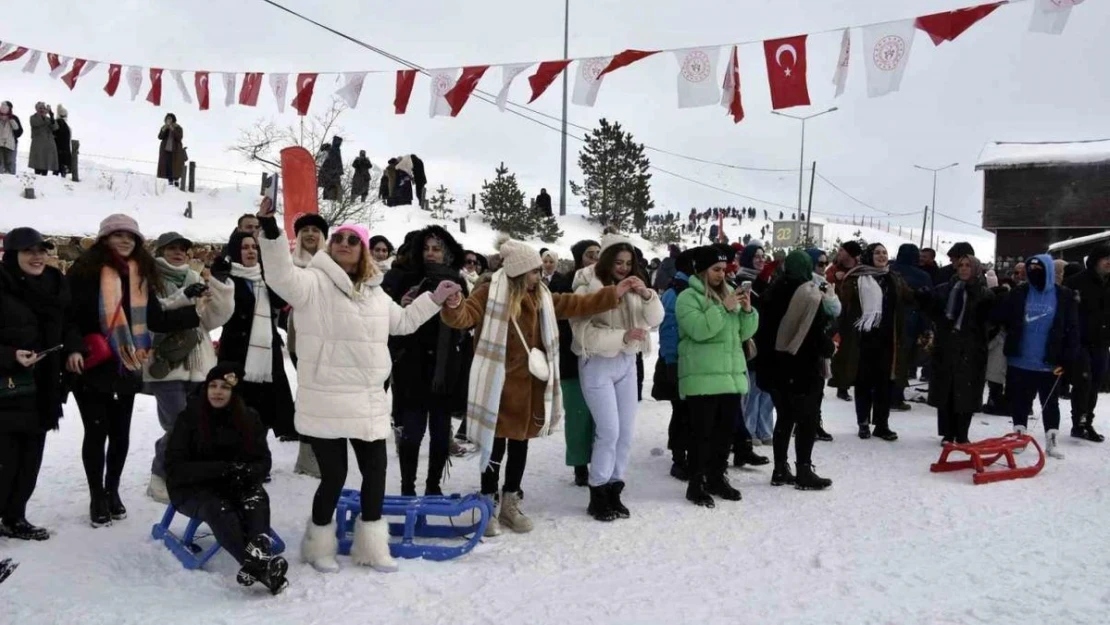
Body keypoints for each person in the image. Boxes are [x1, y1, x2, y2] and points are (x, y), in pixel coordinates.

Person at [255, 198, 459, 573]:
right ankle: (318, 547)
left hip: (367, 400)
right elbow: (281, 277)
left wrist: (435, 298)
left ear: (363, 250)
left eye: (353, 240)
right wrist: (270, 230)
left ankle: (372, 547)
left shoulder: (376, 292)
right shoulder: (311, 283)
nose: (344, 243)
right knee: (333, 477)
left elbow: (403, 323)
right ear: (330, 247)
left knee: (376, 474)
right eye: (339, 239)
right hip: (326, 400)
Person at [440, 236, 629, 535]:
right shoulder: (490, 293)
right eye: (533, 271)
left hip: (530, 388)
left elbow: (572, 303)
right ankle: (488, 503)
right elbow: (464, 317)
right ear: (517, 271)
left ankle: (510, 504)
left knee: (520, 446)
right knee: (494, 447)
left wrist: (611, 294)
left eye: (539, 271)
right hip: (497, 386)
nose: (538, 276)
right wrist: (453, 305)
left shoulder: (541, 296)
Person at [66, 214, 202, 527]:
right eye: (118, 235)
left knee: (120, 433)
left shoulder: (141, 274)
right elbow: (68, 315)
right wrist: (74, 346)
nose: (125, 240)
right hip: (93, 363)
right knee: (96, 431)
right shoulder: (85, 270)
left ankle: (113, 490)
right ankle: (97, 495)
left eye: (131, 236)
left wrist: (193, 314)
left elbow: (154, 319)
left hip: (127, 364)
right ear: (104, 239)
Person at [164, 363, 288, 595]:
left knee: (256, 497)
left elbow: (263, 461)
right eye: (213, 385)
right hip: (193, 488)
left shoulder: (248, 418)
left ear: (234, 393)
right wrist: (221, 469)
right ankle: (262, 569)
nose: (218, 392)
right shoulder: (190, 418)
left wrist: (247, 472)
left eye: (225, 387)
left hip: (235, 482)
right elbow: (175, 468)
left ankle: (258, 550)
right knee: (218, 508)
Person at [571, 234, 664, 521]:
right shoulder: (587, 283)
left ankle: (614, 487)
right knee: (608, 431)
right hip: (597, 362)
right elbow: (582, 332)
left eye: (628, 262)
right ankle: (597, 490)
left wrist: (648, 295)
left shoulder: (637, 285)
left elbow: (655, 318)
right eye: (618, 262)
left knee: (625, 433)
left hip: (627, 361)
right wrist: (621, 335)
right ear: (606, 259)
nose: (623, 268)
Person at [0, 228, 80, 540]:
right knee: (5, 461)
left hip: (44, 386)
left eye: (41, 250)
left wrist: (74, 348)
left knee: (31, 460)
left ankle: (15, 517)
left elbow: (70, 323)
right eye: (28, 252)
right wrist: (9, 356)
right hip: (6, 388)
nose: (37, 257)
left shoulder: (55, 283)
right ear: (12, 255)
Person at [143, 232, 235, 504]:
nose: (178, 253)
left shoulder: (195, 279)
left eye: (182, 249)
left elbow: (211, 319)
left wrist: (220, 285)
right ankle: (159, 477)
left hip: (200, 363)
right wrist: (184, 297)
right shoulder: (150, 281)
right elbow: (153, 318)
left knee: (194, 425)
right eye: (171, 248)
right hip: (167, 363)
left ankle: (182, 473)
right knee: (177, 425)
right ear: (160, 252)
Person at [384, 226, 471, 496]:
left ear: (448, 252)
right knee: (412, 431)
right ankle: (407, 486)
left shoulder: (458, 280)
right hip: (412, 364)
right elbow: (386, 319)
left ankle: (433, 485)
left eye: (437, 248)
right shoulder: (403, 277)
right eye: (426, 248)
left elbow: (465, 323)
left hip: (446, 368)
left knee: (441, 431)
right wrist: (402, 303)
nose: (431, 253)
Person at [676, 245, 758, 508]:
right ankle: (696, 482)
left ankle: (717, 476)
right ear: (702, 270)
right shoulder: (687, 297)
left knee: (724, 433)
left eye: (724, 269)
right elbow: (699, 330)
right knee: (702, 434)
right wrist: (724, 307)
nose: (721, 275)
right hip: (702, 377)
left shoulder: (729, 294)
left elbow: (743, 334)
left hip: (730, 375)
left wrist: (747, 311)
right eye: (716, 269)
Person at [757, 251, 834, 490]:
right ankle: (803, 471)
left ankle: (780, 469)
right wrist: (830, 346)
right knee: (807, 420)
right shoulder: (809, 294)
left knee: (784, 418)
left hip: (774, 368)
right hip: (802, 368)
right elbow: (817, 334)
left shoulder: (771, 292)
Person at [991, 254, 1079, 459]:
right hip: (1020, 359)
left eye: (1038, 271)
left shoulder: (1064, 295)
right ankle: (1019, 435)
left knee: (1051, 402)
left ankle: (1051, 439)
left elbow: (1072, 328)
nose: (1033, 274)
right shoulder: (1019, 292)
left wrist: (1068, 357)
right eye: (1030, 271)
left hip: (1050, 361)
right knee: (1020, 400)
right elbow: (1003, 317)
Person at [218, 230, 296, 442]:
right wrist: (217, 278)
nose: (250, 251)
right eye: (244, 247)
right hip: (237, 352)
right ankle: (242, 455)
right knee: (239, 407)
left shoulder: (265, 276)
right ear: (235, 251)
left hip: (266, 352)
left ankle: (259, 457)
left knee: (266, 407)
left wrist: (272, 276)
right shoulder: (227, 278)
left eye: (254, 247)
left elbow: (281, 302)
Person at [832, 243, 910, 442]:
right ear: (869, 256)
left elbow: (908, 296)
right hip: (862, 339)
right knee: (863, 382)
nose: (882, 256)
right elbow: (844, 302)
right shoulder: (857, 277)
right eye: (877, 252)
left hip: (888, 339)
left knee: (885, 383)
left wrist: (927, 296)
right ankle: (863, 422)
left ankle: (882, 424)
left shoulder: (893, 278)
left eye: (884, 252)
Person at [919, 256, 995, 444]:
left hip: (972, 348)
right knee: (947, 390)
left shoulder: (983, 293)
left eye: (968, 265)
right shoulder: (946, 289)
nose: (963, 269)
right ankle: (947, 432)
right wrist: (925, 299)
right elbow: (934, 313)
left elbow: (991, 323)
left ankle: (962, 433)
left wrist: (978, 338)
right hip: (947, 345)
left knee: (967, 392)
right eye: (960, 265)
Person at [550, 239, 601, 487]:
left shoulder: (606, 282)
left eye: (599, 255)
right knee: (579, 414)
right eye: (590, 255)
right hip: (572, 358)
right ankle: (580, 464)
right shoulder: (563, 283)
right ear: (580, 257)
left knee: (601, 415)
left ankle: (600, 460)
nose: (595, 259)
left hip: (600, 357)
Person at [284, 213, 329, 479]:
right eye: (305, 230)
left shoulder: (333, 264)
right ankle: (307, 453)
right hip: (300, 336)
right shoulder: (290, 265)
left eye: (315, 230)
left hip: (330, 336)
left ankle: (326, 449)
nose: (310, 234)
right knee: (308, 393)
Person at [657, 249, 696, 480]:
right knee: (682, 411)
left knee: (689, 411)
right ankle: (679, 458)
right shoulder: (676, 292)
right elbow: (669, 329)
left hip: (690, 360)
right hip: (678, 360)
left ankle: (689, 454)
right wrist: (671, 361)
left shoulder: (688, 289)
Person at [1064, 244, 1110, 442]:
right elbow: (1064, 312)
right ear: (1095, 260)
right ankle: (1079, 424)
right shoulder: (1076, 282)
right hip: (1080, 341)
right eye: (1105, 258)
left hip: (1102, 342)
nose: (1109, 262)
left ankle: (1087, 422)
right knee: (1084, 381)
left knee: (1095, 383)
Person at [737, 242, 775, 446]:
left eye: (763, 256)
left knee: (766, 388)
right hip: (753, 341)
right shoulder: (743, 280)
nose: (761, 260)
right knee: (752, 390)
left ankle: (765, 429)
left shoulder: (767, 281)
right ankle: (749, 430)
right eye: (756, 256)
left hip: (769, 342)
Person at [889, 244, 932, 412]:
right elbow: (927, 301)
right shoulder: (922, 276)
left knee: (887, 358)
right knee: (903, 360)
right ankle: (896, 397)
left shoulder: (889, 271)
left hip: (888, 321)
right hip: (910, 322)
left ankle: (881, 394)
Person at [805, 248, 838, 442]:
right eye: (820, 264)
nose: (824, 267)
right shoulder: (807, 284)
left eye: (826, 263)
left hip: (822, 340)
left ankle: (815, 423)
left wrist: (831, 298)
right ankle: (805, 424)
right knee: (808, 389)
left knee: (818, 387)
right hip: (808, 343)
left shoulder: (824, 284)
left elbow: (836, 310)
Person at [827, 241, 861, 402]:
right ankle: (840, 383)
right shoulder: (833, 270)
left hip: (856, 317)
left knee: (852, 352)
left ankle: (848, 383)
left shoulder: (860, 270)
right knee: (838, 351)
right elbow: (824, 285)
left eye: (842, 250)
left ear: (850, 254)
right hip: (837, 317)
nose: (838, 252)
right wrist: (834, 278)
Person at [28, 103, 58, 176]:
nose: (42, 110)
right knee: (38, 164)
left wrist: (51, 116)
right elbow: (36, 123)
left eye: (43, 108)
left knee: (45, 165)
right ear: (36, 109)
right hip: (38, 145)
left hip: (48, 145)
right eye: (40, 108)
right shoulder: (33, 117)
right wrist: (44, 117)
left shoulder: (49, 119)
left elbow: (55, 127)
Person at [157, 114, 186, 187]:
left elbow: (179, 137)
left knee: (175, 166)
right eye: (167, 119)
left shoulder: (178, 128)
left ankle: (176, 180)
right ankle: (170, 181)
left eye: (170, 119)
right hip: (165, 150)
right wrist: (164, 129)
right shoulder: (164, 127)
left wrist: (172, 129)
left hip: (175, 150)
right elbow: (160, 137)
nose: (168, 120)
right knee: (167, 165)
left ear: (173, 119)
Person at [0, 101, 22, 175]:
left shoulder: (14, 118)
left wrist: (11, 120)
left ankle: (11, 182)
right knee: (1, 164)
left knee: (10, 163)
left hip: (11, 144)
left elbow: (19, 132)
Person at [318, 137, 343, 201]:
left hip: (332, 177)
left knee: (332, 191)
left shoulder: (333, 152)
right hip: (331, 178)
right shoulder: (330, 154)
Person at [53, 105, 71, 177]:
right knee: (60, 172)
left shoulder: (58, 123)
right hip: (62, 151)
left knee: (57, 172)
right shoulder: (63, 124)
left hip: (59, 150)